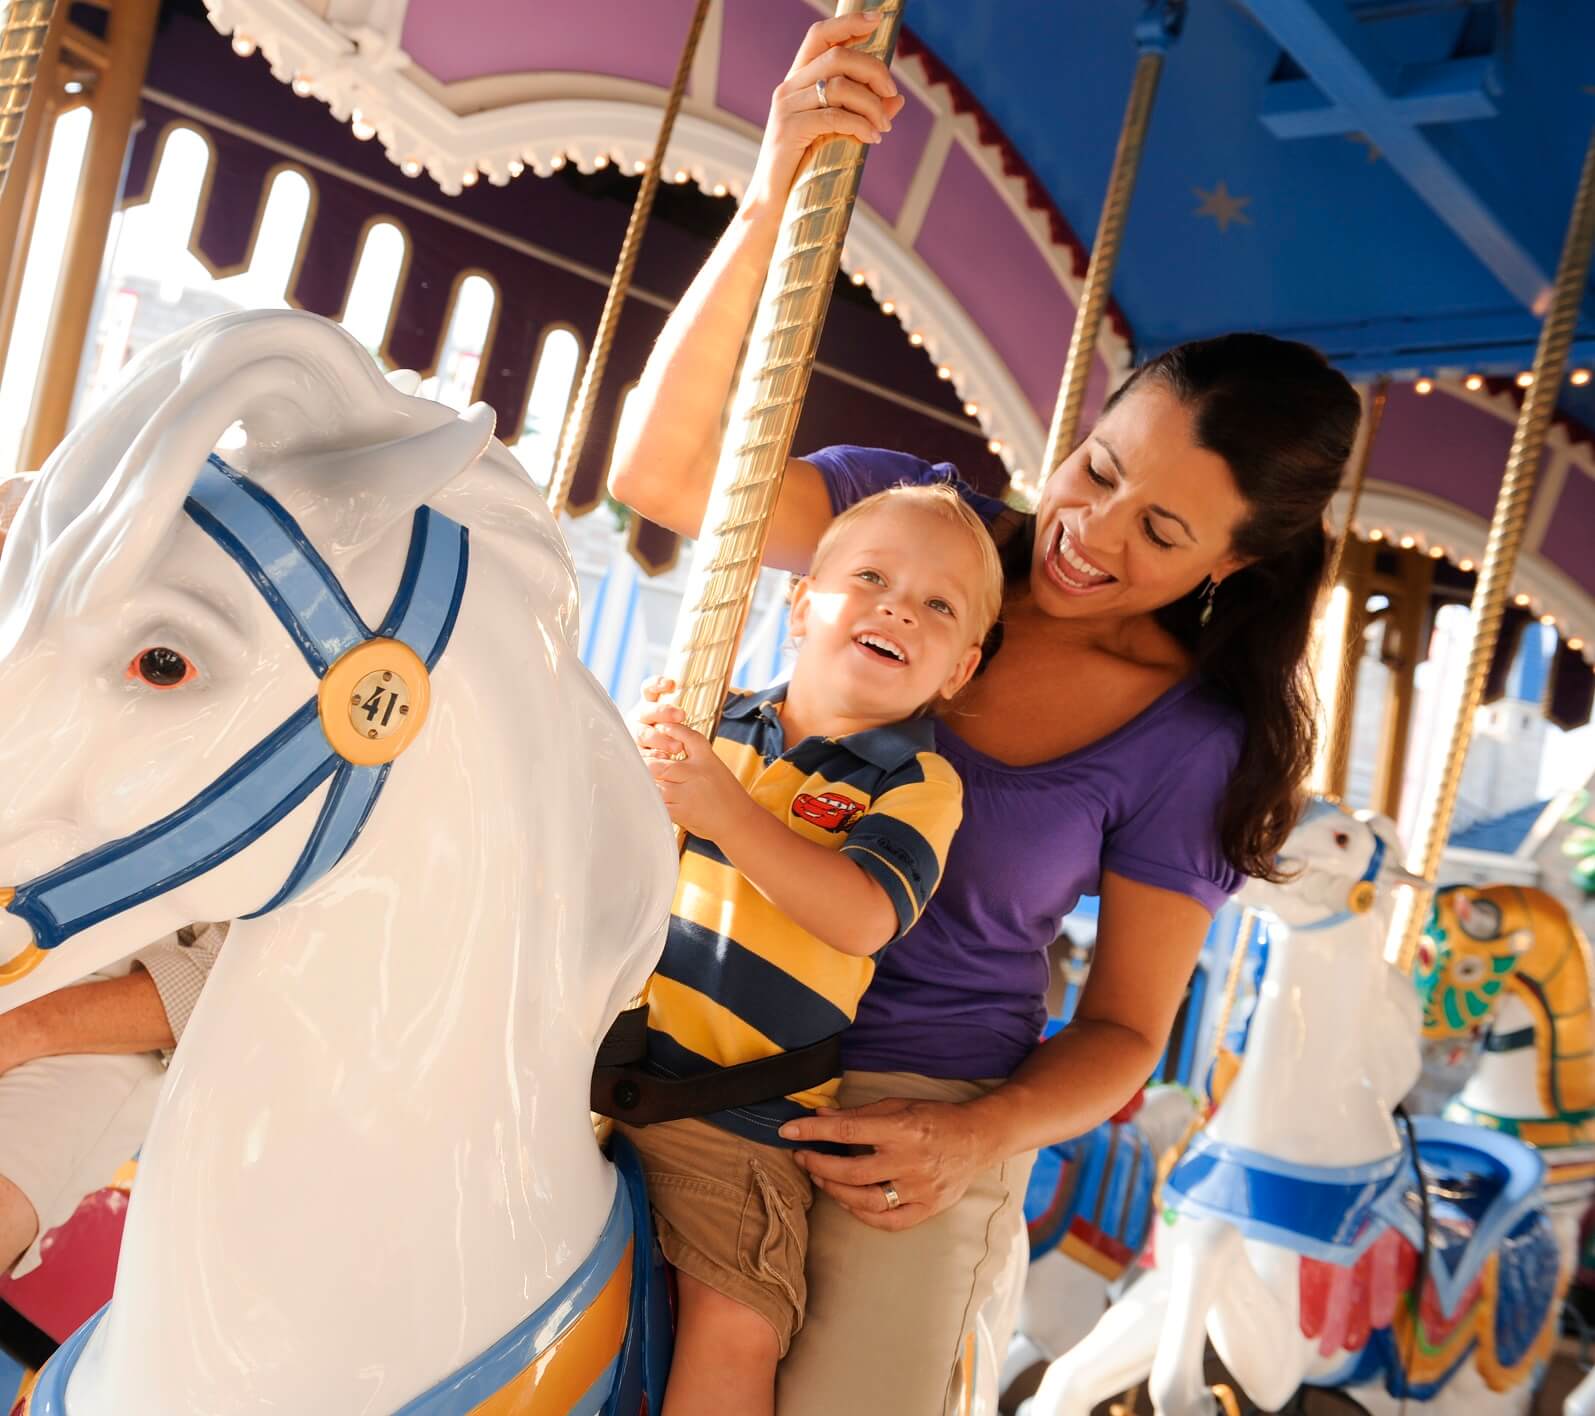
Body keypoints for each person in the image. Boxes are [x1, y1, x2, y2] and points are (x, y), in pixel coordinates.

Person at [606, 14, 1363, 1410]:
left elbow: (1127, 1030)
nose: (1086, 534)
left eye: (1157, 529)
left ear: (1232, 565)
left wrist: (978, 1141)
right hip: (680, 996)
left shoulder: (1183, 742)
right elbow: (665, 481)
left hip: (893, 1111)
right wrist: (775, 187)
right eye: (1093, 469)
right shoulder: (918, 538)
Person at [621, 484, 1005, 1416]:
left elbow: (862, 914)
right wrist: (636, 761)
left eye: (937, 606)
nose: (897, 607)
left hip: (733, 1122)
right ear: (801, 606)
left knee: (735, 1326)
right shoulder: (716, 720)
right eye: (870, 577)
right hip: (592, 1056)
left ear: (959, 668)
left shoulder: (916, 782)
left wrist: (723, 810)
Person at [0, 476, 226, 1277]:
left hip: (88, 1020)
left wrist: (20, 1031)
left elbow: (217, 975)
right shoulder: (42, 523)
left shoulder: (240, 695)